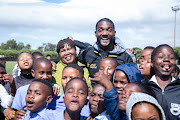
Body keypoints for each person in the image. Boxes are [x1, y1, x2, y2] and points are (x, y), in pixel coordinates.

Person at [146, 44, 180, 119]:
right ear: (152, 63)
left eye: (171, 57)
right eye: (161, 57)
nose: (167, 59)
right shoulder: (144, 88)